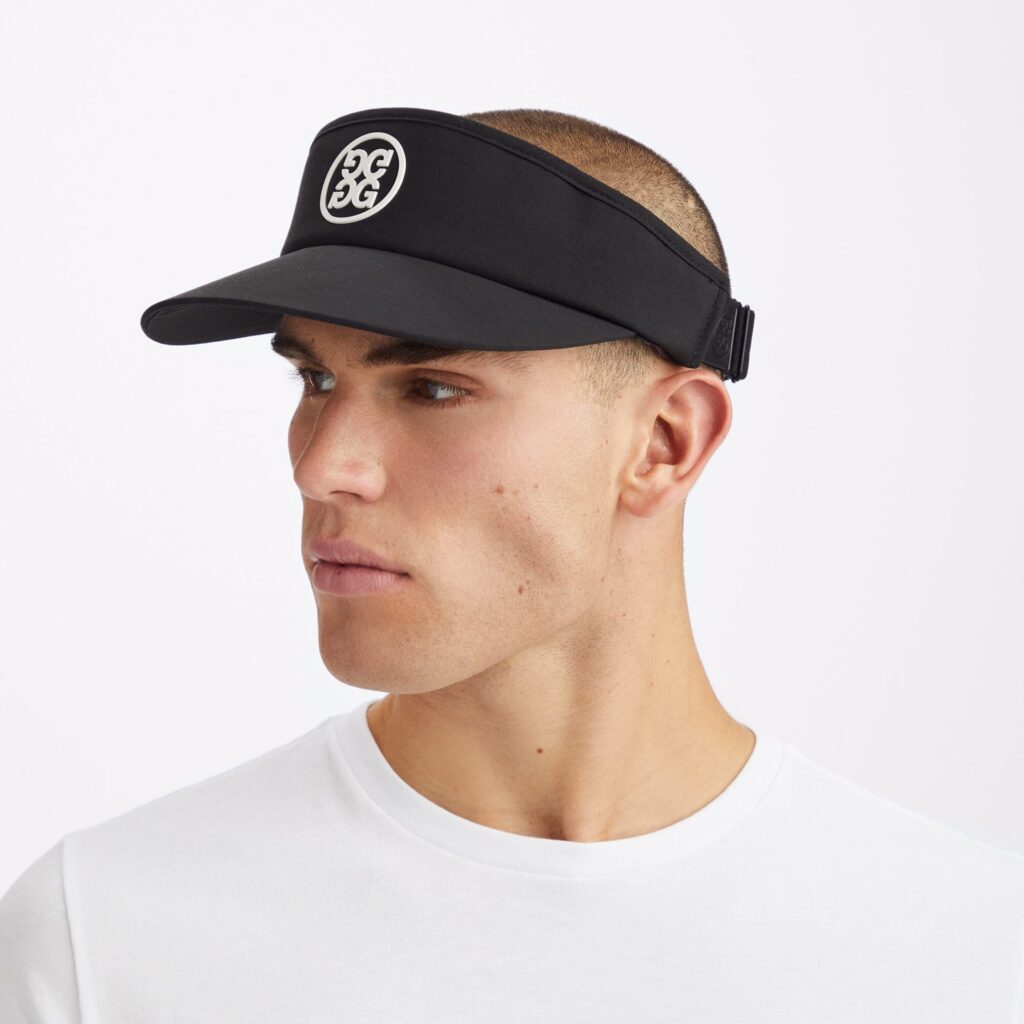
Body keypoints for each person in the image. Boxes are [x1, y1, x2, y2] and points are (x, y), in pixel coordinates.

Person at [1, 105, 1021, 1022]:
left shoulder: (966, 954)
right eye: (314, 379)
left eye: (432, 390)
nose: (323, 467)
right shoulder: (106, 936)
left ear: (663, 443)